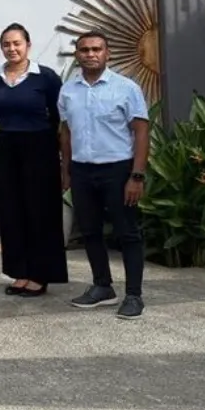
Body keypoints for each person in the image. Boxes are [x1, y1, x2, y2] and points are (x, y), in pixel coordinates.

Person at [58, 30, 150, 319]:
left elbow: (141, 131)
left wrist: (137, 176)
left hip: (118, 170)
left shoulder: (126, 88)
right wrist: (66, 170)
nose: (91, 54)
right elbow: (66, 132)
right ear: (77, 55)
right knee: (90, 231)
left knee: (127, 233)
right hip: (82, 171)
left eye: (96, 49)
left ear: (107, 53)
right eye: (84, 50)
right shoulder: (68, 90)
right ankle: (102, 286)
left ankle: (133, 295)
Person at [0, 23, 68, 297]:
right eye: (6, 44)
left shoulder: (45, 77)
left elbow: (59, 118)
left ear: (28, 45)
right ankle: (19, 271)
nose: (12, 48)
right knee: (12, 211)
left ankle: (40, 274)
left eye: (17, 43)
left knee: (40, 211)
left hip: (40, 147)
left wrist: (63, 160)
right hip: (7, 146)